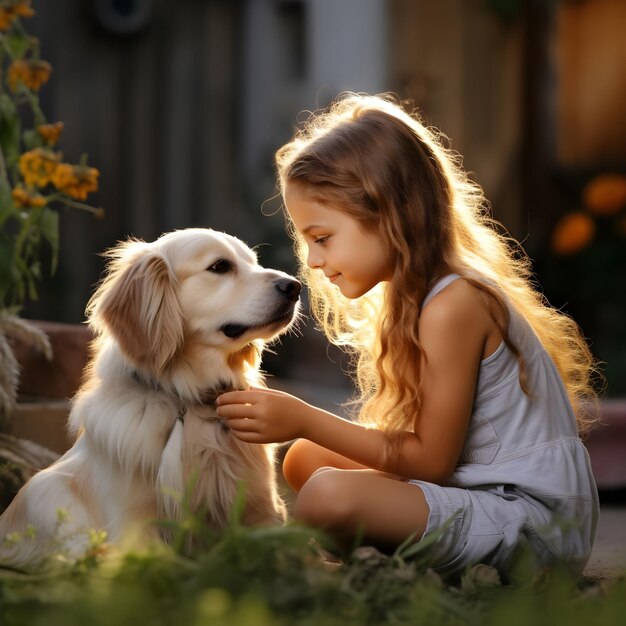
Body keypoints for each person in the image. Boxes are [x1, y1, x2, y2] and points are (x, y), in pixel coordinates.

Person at [216, 93, 601, 578]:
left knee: (326, 494)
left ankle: (403, 566)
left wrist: (303, 418)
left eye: (323, 238)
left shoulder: (453, 304)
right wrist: (304, 432)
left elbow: (432, 462)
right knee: (304, 462)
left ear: (389, 214)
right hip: (483, 494)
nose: (312, 261)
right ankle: (404, 561)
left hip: (535, 525)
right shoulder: (420, 297)